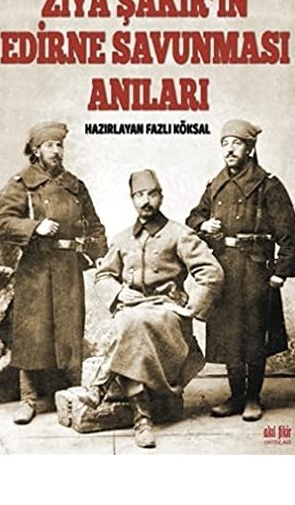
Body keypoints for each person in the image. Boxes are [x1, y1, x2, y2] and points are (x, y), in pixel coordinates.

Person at [78, 169, 224, 448]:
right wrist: (119, 292)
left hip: (166, 311)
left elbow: (211, 272)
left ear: (161, 197)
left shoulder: (180, 234)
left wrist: (191, 307)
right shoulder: (122, 238)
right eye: (139, 195)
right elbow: (104, 275)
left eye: (151, 194)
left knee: (130, 324)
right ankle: (141, 416)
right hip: (133, 307)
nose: (145, 201)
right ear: (132, 200)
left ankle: (102, 386)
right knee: (131, 322)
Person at [0, 121, 108, 424]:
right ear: (36, 150)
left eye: (60, 145)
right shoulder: (22, 183)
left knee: (69, 330)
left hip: (68, 268)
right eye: (49, 145)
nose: (56, 151)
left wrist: (97, 254)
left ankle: (72, 396)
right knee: (32, 333)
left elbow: (96, 227)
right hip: (36, 268)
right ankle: (28, 399)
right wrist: (34, 227)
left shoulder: (75, 185)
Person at [186, 119, 295, 422]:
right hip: (223, 269)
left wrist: (280, 272)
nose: (229, 149)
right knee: (228, 334)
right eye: (225, 143)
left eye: (236, 143)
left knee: (254, 334)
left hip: (255, 271)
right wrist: (204, 224)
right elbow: (193, 218)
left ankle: (253, 398)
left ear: (250, 149)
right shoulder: (215, 185)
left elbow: (290, 232)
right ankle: (236, 396)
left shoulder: (268, 185)